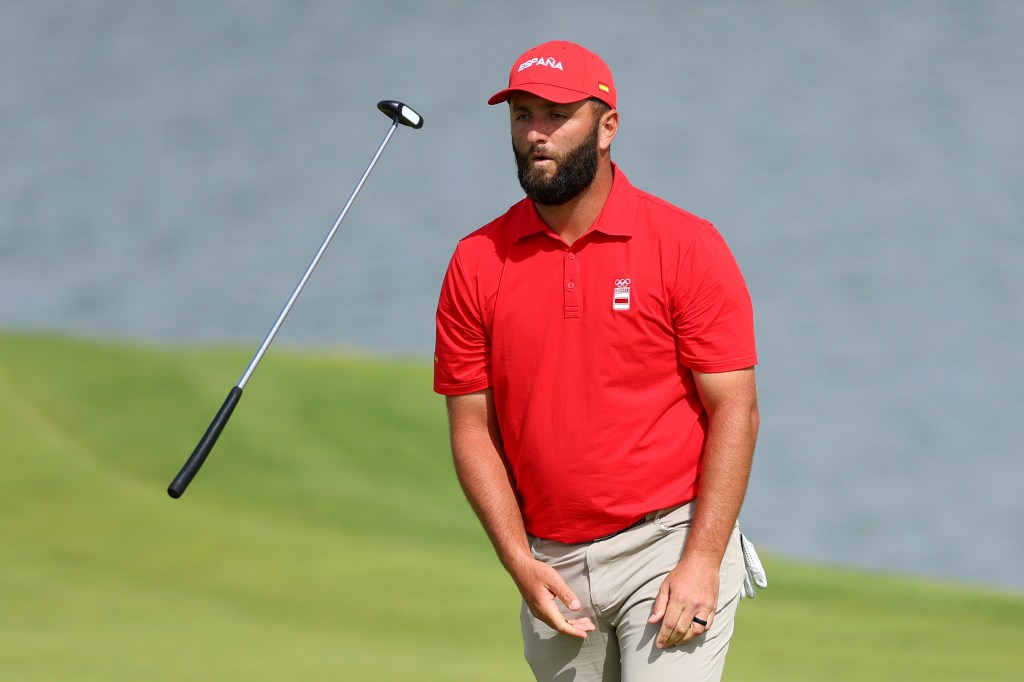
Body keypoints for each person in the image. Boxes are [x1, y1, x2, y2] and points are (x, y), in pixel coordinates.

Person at [433, 40, 759, 681]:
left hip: (667, 545)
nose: (536, 134)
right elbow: (471, 427)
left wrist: (703, 557)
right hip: (551, 560)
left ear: (607, 127)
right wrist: (519, 561)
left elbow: (736, 411)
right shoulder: (477, 261)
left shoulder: (685, 245)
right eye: (522, 115)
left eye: (557, 115)